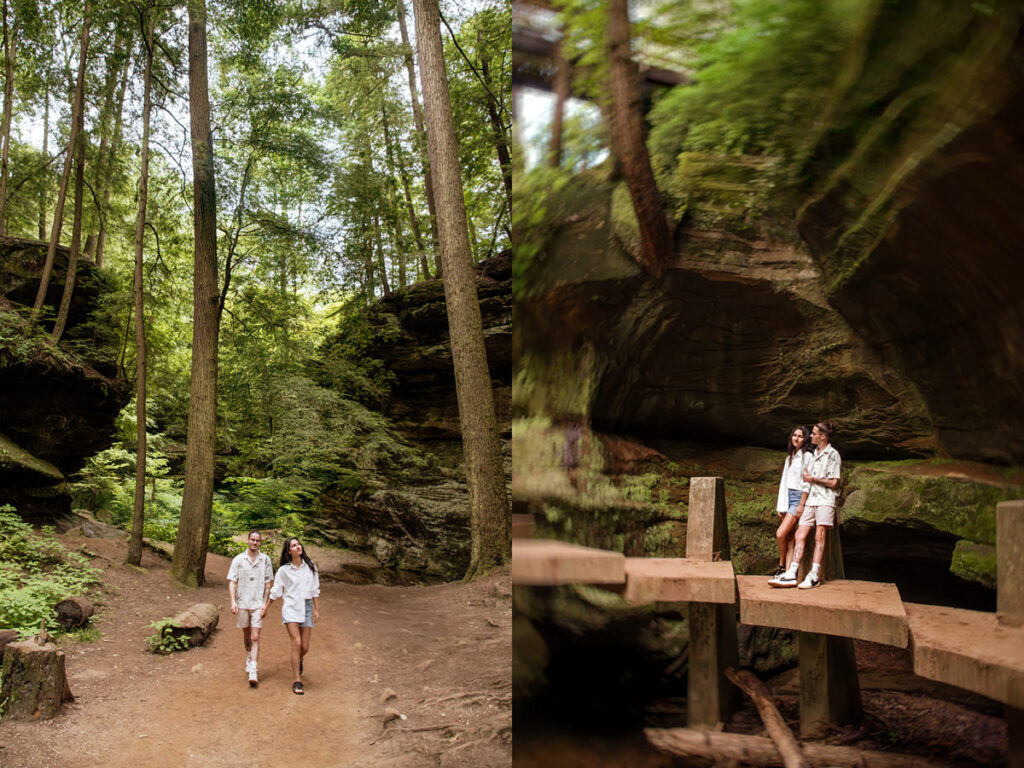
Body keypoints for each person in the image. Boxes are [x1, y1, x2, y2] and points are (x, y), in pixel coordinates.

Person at [769, 421, 842, 589]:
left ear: (822, 436)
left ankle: (814, 574)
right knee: (799, 535)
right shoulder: (813, 453)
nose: (810, 436)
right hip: (810, 500)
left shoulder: (833, 454)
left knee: (819, 536)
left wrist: (812, 480)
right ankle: (791, 572)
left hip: (825, 499)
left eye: (813, 433)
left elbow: (833, 483)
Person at [261, 536, 320, 695]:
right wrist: (266, 608)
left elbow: (315, 589)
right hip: (291, 608)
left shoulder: (311, 567)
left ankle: (299, 660)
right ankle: (297, 681)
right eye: (293, 545)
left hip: (306, 606)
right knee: (297, 643)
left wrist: (316, 609)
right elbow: (276, 591)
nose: (297, 546)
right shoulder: (284, 571)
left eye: (298, 544)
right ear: (289, 551)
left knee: (305, 647)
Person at [227, 530, 275, 686]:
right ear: (247, 541)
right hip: (242, 603)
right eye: (252, 540)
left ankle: (253, 668)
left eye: (258, 540)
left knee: (255, 636)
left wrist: (265, 604)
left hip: (257, 604)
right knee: (247, 635)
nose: (255, 543)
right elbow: (233, 582)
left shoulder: (265, 560)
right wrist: (233, 601)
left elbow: (269, 583)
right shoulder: (238, 560)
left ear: (260, 543)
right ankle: (249, 656)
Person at [769, 426, 812, 579]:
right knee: (789, 538)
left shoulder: (807, 456)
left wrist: (801, 504)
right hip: (788, 497)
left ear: (805, 439)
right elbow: (784, 483)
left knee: (780, 534)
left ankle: (781, 566)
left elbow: (807, 483)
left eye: (800, 436)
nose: (797, 438)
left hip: (798, 498)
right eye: (795, 435)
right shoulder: (790, 457)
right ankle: (789, 574)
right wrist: (781, 506)